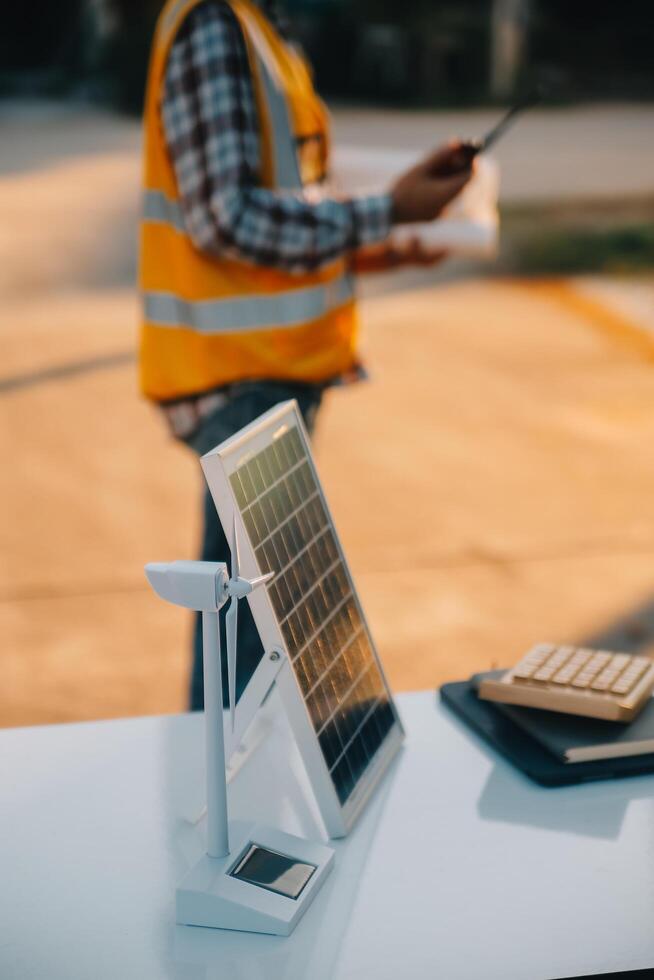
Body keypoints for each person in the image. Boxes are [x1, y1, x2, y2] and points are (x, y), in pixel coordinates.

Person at [139, 0, 473, 710]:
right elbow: (226, 217)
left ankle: (232, 813)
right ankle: (222, 819)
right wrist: (388, 212)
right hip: (242, 382)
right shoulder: (214, 24)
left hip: (270, 373)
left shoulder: (260, 25)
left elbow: (284, 198)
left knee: (255, 654)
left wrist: (383, 242)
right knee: (245, 668)